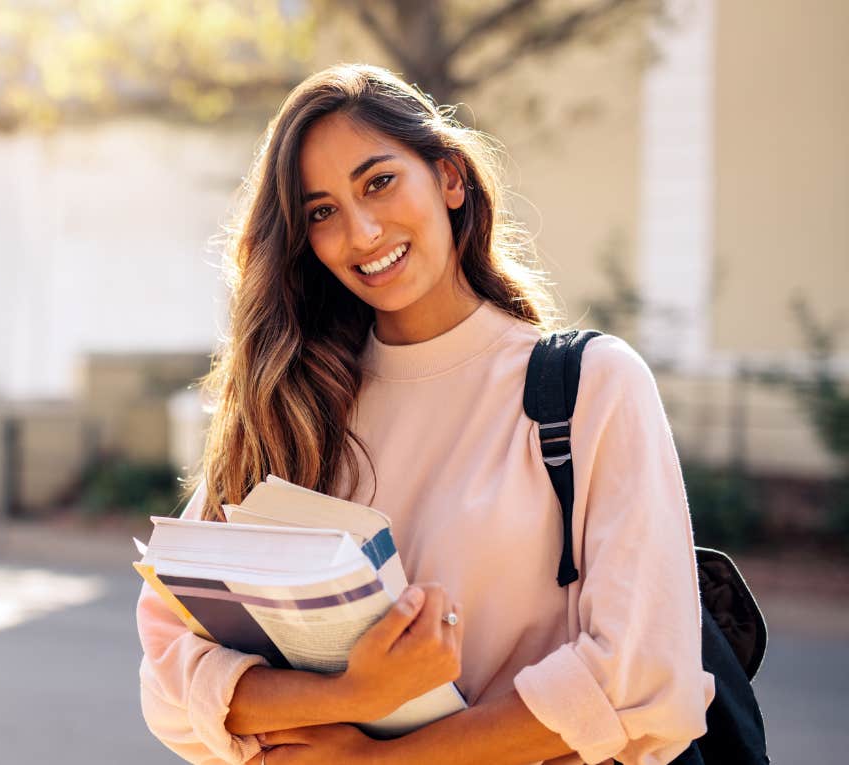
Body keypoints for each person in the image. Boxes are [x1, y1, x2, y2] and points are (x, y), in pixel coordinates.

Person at [135, 63, 715, 765]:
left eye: (378, 181)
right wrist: (352, 693)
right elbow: (171, 676)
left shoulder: (591, 386)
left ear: (449, 178)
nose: (364, 231)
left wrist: (375, 760)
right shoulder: (292, 405)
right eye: (322, 212)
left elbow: (638, 678)